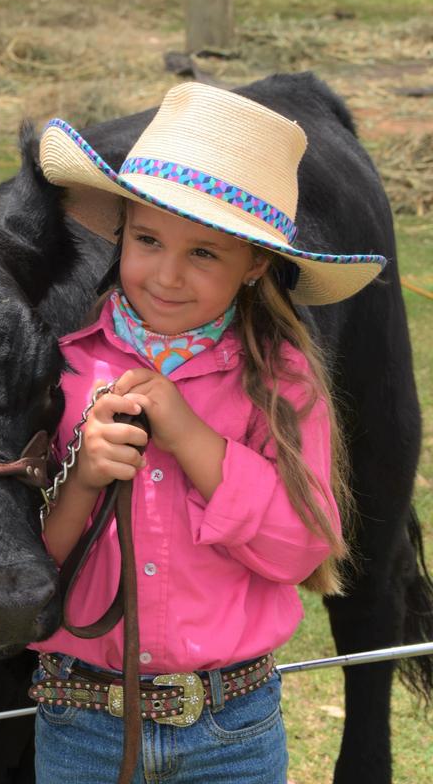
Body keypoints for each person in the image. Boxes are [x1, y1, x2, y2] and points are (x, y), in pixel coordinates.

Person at [29, 82, 386, 784]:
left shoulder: (280, 382)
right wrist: (82, 477)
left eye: (203, 254)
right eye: (148, 240)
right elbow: (31, 567)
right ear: (120, 230)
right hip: (81, 726)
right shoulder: (65, 368)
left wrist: (191, 436)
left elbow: (299, 547)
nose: (165, 275)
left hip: (233, 730)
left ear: (254, 265)